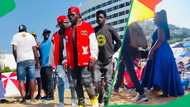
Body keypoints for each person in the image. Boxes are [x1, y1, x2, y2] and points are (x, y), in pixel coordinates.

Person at [142, 10, 184, 97]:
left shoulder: (161, 27)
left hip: (161, 51)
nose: (154, 18)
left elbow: (160, 40)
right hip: (165, 50)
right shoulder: (163, 27)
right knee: (164, 70)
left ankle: (165, 92)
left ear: (159, 18)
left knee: (162, 70)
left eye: (155, 17)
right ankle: (160, 89)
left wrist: (152, 50)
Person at [65, 6, 99, 107]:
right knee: (76, 84)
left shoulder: (87, 27)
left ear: (79, 15)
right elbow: (66, 47)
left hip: (85, 60)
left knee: (87, 82)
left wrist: (93, 57)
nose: (70, 17)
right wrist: (66, 60)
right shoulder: (68, 30)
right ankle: (81, 103)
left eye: (72, 15)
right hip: (73, 62)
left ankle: (94, 101)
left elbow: (93, 43)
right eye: (69, 15)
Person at [94, 10, 121, 106]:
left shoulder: (110, 29)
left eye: (101, 17)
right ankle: (100, 96)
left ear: (105, 18)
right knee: (96, 82)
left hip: (108, 61)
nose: (98, 19)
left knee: (108, 82)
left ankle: (106, 102)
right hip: (97, 61)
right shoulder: (94, 30)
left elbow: (119, 42)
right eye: (97, 17)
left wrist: (112, 53)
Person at [52, 15, 77, 106]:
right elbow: (54, 50)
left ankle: (74, 100)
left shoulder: (71, 32)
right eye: (65, 22)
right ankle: (61, 102)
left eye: (67, 22)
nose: (67, 24)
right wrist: (53, 64)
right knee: (60, 82)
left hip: (70, 61)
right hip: (59, 63)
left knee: (72, 81)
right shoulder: (55, 35)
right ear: (60, 24)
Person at [120, 22, 148, 102]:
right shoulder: (135, 24)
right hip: (132, 50)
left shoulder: (131, 24)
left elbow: (128, 40)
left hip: (127, 50)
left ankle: (141, 93)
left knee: (131, 72)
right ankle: (140, 92)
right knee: (127, 71)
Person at [11, 25, 38, 103]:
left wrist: (16, 59)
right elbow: (35, 49)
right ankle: (32, 98)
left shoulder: (15, 36)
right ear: (26, 30)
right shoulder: (30, 36)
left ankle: (23, 98)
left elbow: (14, 50)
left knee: (21, 80)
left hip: (21, 60)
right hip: (30, 60)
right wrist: (37, 61)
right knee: (32, 79)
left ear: (19, 30)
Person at [39, 29, 54, 100]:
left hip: (49, 64)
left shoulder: (51, 42)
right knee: (44, 81)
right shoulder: (41, 44)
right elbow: (39, 55)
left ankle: (51, 96)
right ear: (43, 34)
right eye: (46, 33)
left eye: (48, 33)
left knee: (49, 81)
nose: (47, 34)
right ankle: (46, 94)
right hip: (42, 65)